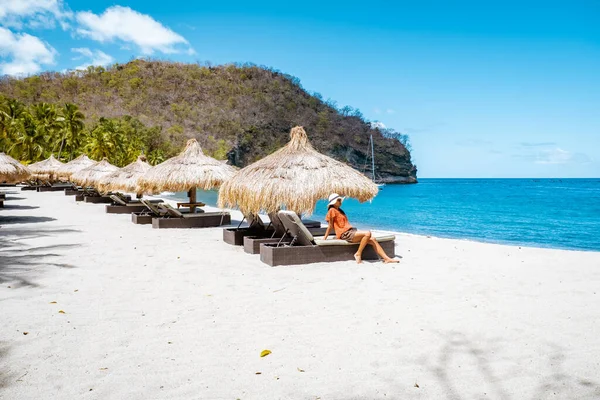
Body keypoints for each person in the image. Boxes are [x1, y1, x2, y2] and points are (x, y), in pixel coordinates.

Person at [323, 193, 399, 264]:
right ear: (333, 202)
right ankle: (358, 253)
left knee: (373, 239)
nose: (340, 202)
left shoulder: (339, 210)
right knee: (367, 233)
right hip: (345, 234)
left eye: (340, 200)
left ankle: (386, 258)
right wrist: (324, 238)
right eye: (338, 200)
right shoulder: (332, 210)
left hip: (351, 232)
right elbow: (330, 226)